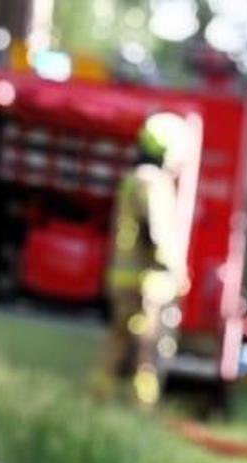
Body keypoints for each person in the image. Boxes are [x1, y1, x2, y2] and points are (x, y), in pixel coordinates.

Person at [96, 112, 190, 406]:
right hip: (144, 282)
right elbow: (158, 233)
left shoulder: (134, 179)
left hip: (125, 278)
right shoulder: (152, 182)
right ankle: (141, 409)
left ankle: (97, 401)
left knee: (118, 344)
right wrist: (177, 271)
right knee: (146, 352)